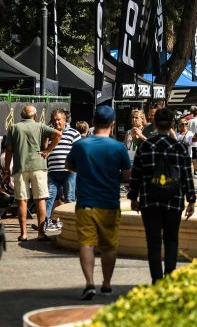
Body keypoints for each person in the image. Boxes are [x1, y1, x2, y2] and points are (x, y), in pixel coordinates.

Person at [65, 105, 132, 300]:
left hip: (85, 202)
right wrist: (111, 176)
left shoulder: (81, 145)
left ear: (93, 123)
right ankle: (107, 284)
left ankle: (89, 283)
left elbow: (69, 165)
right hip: (109, 203)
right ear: (113, 124)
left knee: (86, 244)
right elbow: (127, 176)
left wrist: (87, 172)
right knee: (109, 246)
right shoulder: (118, 147)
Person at [127, 108, 196, 283]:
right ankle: (170, 276)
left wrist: (133, 197)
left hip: (150, 200)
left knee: (153, 242)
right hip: (174, 200)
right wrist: (191, 200)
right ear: (172, 124)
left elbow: (136, 174)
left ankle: (157, 279)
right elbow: (187, 176)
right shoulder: (179, 148)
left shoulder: (146, 146)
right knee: (172, 239)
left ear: (155, 124)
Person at [2, 105, 62, 242]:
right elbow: (59, 134)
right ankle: (41, 234)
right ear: (34, 116)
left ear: (22, 116)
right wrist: (48, 151)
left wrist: (6, 170)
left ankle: (23, 234)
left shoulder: (14, 128)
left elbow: (9, 151)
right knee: (40, 199)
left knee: (22, 201)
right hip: (39, 167)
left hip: (20, 168)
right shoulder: (40, 126)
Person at [44, 109, 81, 232]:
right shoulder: (49, 134)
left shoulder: (74, 133)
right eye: (54, 120)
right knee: (49, 199)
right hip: (53, 172)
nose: (56, 122)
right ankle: (43, 225)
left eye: (59, 119)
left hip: (69, 172)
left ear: (65, 120)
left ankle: (73, 226)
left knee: (70, 199)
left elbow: (79, 151)